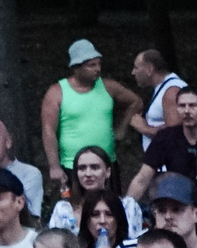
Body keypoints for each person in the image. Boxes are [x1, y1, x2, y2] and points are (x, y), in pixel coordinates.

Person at [37, 38, 138, 181]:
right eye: (91, 65)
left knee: (111, 203)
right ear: (76, 67)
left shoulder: (108, 87)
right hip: (73, 166)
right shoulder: (57, 92)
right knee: (77, 203)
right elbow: (48, 131)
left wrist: (121, 128)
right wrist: (54, 166)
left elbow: (135, 102)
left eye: (99, 64)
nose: (98, 69)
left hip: (106, 164)